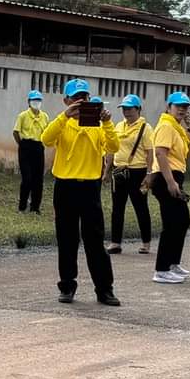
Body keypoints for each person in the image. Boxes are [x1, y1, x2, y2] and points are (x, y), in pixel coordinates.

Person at [43, 81, 121, 308]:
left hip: (89, 187)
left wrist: (107, 123)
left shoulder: (96, 125)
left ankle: (104, 289)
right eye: (76, 98)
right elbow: (46, 139)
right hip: (65, 186)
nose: (81, 102)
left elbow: (114, 147)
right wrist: (65, 116)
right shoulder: (62, 123)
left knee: (95, 241)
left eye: (85, 98)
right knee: (66, 239)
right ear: (66, 100)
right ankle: (67, 285)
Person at [147, 92, 190, 284]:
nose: (182, 109)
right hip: (166, 177)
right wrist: (171, 182)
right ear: (169, 107)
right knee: (172, 222)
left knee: (182, 220)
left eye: (185, 106)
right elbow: (160, 153)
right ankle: (161, 269)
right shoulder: (166, 125)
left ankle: (173, 263)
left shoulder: (177, 127)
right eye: (178, 106)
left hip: (175, 176)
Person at [107, 93, 154, 256]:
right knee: (117, 208)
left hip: (138, 171)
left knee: (140, 207)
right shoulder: (118, 126)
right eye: (124, 109)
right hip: (119, 171)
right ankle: (115, 242)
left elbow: (150, 152)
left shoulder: (145, 128)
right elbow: (112, 149)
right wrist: (106, 170)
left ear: (138, 109)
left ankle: (146, 242)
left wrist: (149, 173)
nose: (127, 112)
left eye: (130, 109)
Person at [13, 90, 49, 213]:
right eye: (34, 100)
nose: (36, 103)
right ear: (29, 102)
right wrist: (22, 145)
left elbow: (47, 132)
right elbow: (16, 132)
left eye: (38, 101)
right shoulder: (22, 116)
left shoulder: (44, 116)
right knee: (27, 178)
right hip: (25, 147)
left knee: (38, 179)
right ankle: (22, 206)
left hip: (39, 147)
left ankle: (35, 207)